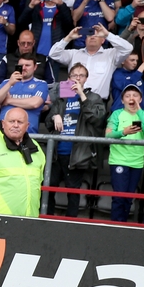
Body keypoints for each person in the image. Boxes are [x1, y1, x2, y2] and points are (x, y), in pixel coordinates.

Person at [44, 63, 106, 217]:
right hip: (57, 152)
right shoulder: (62, 98)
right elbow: (47, 123)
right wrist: (54, 116)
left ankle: (70, 222)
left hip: (77, 153)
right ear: (68, 78)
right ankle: (47, 219)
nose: (77, 78)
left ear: (86, 79)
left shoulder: (93, 97)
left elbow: (97, 119)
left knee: (73, 191)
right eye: (74, 75)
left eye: (81, 75)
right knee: (49, 187)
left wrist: (82, 96)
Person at [106, 84, 144, 222]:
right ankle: (116, 225)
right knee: (119, 196)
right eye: (127, 96)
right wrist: (123, 132)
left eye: (135, 95)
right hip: (118, 160)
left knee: (128, 197)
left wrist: (139, 111)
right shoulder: (117, 114)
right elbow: (108, 136)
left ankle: (124, 226)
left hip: (137, 162)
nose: (131, 98)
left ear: (140, 99)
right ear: (122, 101)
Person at [48, 24, 133, 100]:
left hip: (97, 103)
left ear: (103, 40)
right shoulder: (74, 54)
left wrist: (108, 35)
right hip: (73, 99)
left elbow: (128, 48)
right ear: (85, 39)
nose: (92, 37)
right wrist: (68, 38)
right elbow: (53, 54)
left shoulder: (111, 54)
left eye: (96, 35)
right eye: (89, 35)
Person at [16, 0, 71, 82]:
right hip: (36, 53)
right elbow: (21, 23)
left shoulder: (61, 8)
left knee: (53, 83)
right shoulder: (37, 7)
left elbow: (69, 25)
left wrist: (61, 5)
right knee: (34, 80)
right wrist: (31, 5)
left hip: (54, 54)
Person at [0, 53, 48, 135]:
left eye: (27, 65)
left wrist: (8, 100)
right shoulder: (6, 82)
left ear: (35, 67)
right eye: (21, 65)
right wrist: (10, 83)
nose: (24, 68)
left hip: (27, 134)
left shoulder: (41, 84)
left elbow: (35, 103)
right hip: (3, 132)